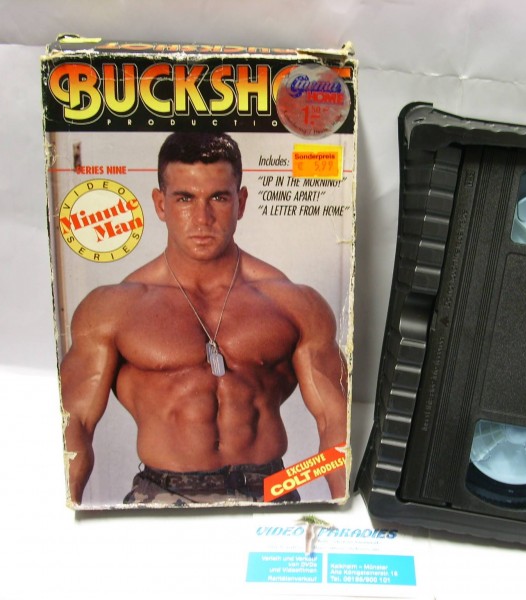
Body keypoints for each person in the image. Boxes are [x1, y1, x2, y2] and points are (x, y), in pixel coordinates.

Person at [60, 132, 348, 506]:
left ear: (241, 202)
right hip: (162, 493)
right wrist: (68, 517)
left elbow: (335, 422)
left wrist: (341, 507)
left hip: (269, 489)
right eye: (185, 198)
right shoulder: (112, 308)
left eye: (218, 198)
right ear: (160, 204)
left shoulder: (295, 303)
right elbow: (74, 425)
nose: (202, 218)